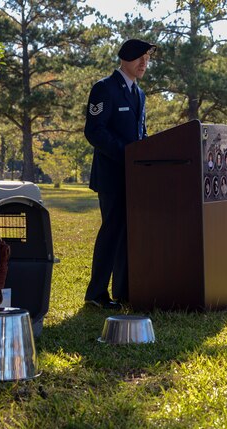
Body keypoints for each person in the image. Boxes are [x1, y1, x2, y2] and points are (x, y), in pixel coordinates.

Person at [83, 38, 156, 309]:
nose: (144, 63)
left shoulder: (139, 93)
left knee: (128, 233)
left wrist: (146, 153)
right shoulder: (104, 89)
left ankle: (124, 291)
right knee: (111, 232)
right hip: (112, 175)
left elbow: (140, 133)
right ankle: (96, 293)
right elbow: (95, 131)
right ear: (125, 58)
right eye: (140, 58)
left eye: (147, 59)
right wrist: (128, 154)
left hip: (133, 176)